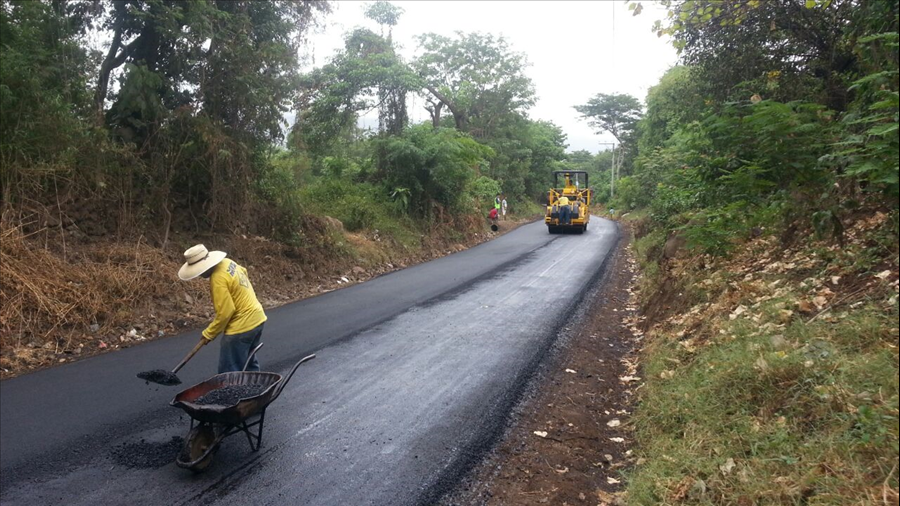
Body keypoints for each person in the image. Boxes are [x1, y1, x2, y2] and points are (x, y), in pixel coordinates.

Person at [178, 244, 267, 373]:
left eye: (199, 271)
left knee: (229, 370)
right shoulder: (228, 262)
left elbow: (226, 312)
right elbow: (244, 272)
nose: (199, 275)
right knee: (248, 363)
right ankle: (257, 388)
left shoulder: (217, 279)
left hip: (241, 327)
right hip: (258, 318)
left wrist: (209, 333)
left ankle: (231, 392)